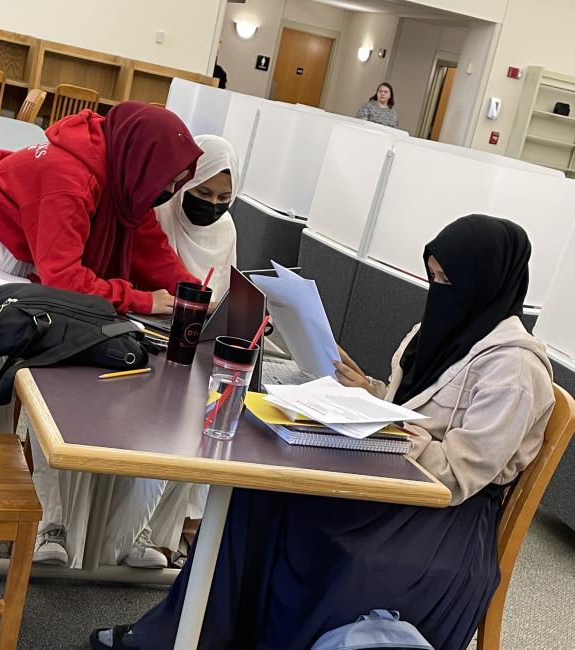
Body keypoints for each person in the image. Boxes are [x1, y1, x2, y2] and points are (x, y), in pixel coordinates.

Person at [91, 215, 555, 650]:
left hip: (443, 519)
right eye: (432, 277)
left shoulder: (513, 368)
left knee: (307, 527)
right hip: (389, 481)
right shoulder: (435, 331)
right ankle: (185, 631)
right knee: (258, 492)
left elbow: (460, 473)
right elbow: (409, 405)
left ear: (487, 283)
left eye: (449, 282)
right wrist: (367, 391)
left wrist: (384, 422)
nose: (438, 291)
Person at [0, 102, 203, 553]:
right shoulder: (68, 177)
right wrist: (143, 299)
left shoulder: (119, 174)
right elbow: (64, 278)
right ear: (138, 161)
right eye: (165, 183)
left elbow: (153, 253)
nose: (167, 193)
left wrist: (197, 296)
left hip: (20, 241)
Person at [155, 134, 239, 302]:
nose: (213, 204)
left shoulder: (225, 227)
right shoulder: (159, 212)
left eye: (223, 198)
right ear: (185, 183)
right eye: (203, 192)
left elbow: (224, 293)